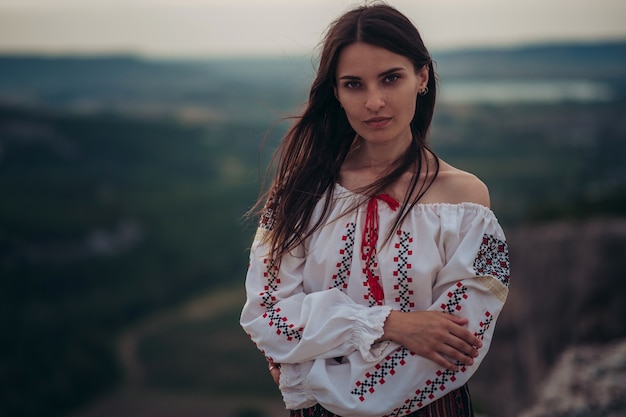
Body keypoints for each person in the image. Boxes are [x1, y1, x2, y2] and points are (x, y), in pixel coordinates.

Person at [240, 3, 510, 417]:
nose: (374, 101)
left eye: (390, 78)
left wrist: (313, 374)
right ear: (336, 92)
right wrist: (393, 324)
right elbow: (267, 317)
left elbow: (458, 344)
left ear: (422, 77)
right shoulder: (299, 192)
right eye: (354, 84)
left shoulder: (465, 203)